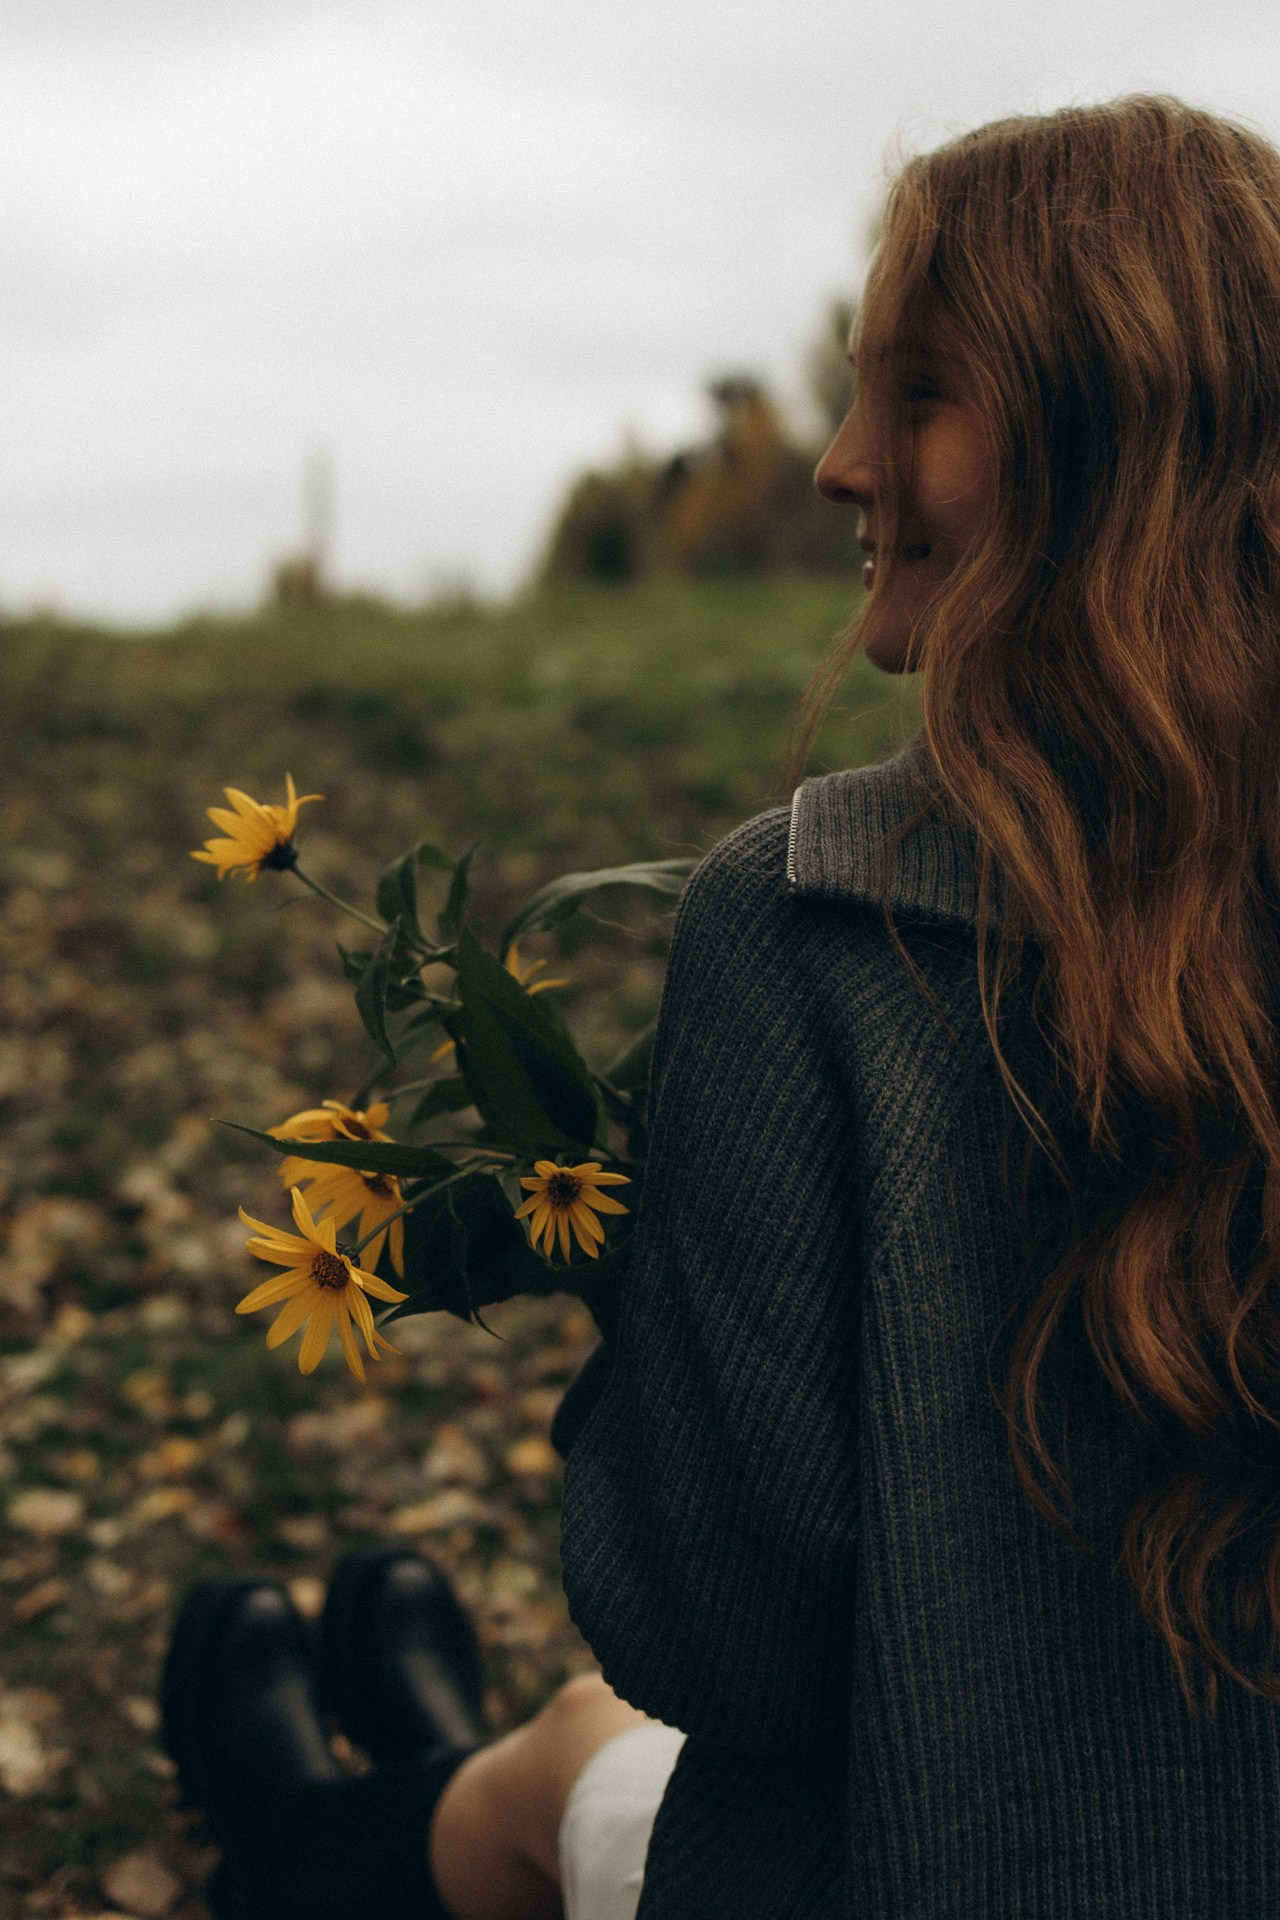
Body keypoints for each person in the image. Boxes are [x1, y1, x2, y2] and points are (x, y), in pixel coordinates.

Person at [162, 93, 1280, 1917]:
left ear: (1109, 438)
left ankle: (300, 1832)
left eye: (916, 394)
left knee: (587, 1746)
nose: (842, 463)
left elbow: (724, 1645)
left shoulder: (820, 927)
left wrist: (640, 1336)